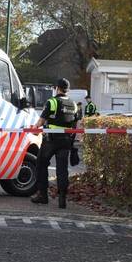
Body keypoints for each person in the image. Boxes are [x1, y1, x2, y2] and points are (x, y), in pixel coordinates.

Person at [31, 77, 80, 208]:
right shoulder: (74, 104)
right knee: (62, 170)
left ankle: (42, 195)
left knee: (41, 164)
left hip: (51, 140)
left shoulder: (52, 102)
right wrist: (73, 141)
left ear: (57, 88)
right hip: (66, 141)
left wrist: (34, 128)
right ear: (67, 90)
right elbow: (76, 125)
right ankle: (62, 199)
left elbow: (41, 121)